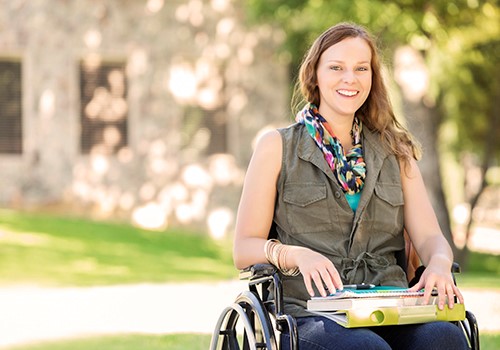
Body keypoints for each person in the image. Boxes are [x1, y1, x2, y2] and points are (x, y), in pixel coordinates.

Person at [233, 22, 469, 349]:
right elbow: (244, 248)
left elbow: (430, 238)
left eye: (361, 68)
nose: (350, 78)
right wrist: (296, 255)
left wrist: (440, 264)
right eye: (336, 67)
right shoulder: (277, 147)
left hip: (391, 307)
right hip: (312, 313)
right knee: (367, 348)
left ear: (372, 78)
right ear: (314, 74)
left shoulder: (396, 151)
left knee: (444, 338)